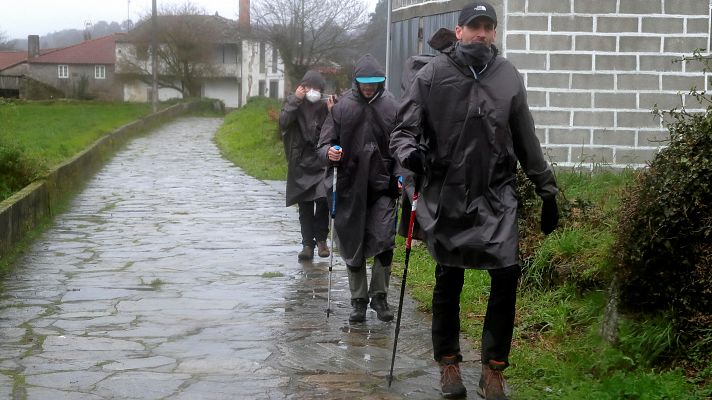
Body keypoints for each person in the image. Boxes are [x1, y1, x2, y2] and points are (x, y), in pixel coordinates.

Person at [390, 2, 560, 399]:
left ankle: (493, 369)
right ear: (460, 30)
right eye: (475, 26)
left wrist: (547, 189)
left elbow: (526, 138)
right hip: (446, 194)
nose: (482, 33)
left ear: (495, 33)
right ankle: (449, 363)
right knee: (448, 278)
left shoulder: (508, 76)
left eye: (489, 27)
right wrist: (411, 153)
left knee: (506, 275)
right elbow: (402, 130)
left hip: (497, 195)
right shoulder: (433, 74)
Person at [318, 54, 401, 324]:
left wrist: (401, 175)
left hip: (383, 187)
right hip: (348, 187)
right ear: (356, 82)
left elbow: (403, 146)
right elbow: (323, 145)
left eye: (374, 83)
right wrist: (329, 152)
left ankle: (380, 296)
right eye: (364, 84)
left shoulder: (392, 107)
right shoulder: (342, 107)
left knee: (384, 241)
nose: (369, 88)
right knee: (352, 244)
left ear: (381, 82)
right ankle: (358, 301)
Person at [279, 70, 336, 261]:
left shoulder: (325, 105)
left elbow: (337, 128)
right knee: (304, 205)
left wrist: (332, 111)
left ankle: (321, 241)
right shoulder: (293, 102)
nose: (313, 91)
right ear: (302, 87)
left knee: (322, 201)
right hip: (300, 162)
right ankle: (307, 245)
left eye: (317, 88)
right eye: (309, 87)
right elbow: (284, 123)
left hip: (321, 161)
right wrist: (295, 100)